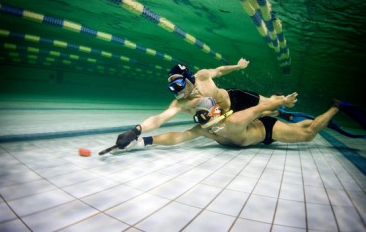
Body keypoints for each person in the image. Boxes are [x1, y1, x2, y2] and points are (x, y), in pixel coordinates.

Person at [114, 58, 296, 150]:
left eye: (178, 84)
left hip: (236, 98)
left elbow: (219, 70)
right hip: (226, 117)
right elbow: (159, 119)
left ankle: (279, 110)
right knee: (258, 117)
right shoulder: (181, 103)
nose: (176, 90)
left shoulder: (202, 76)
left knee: (272, 104)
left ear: (189, 78)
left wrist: (237, 66)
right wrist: (136, 131)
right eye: (171, 87)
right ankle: (274, 114)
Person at [122, 93, 344, 150]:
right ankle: (306, 120)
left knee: (307, 134)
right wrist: (143, 140)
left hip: (266, 130)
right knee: (298, 127)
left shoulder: (233, 121)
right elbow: (178, 137)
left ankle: (336, 107)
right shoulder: (204, 130)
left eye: (206, 116)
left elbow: (259, 108)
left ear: (216, 113)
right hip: (252, 129)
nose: (202, 122)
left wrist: (280, 102)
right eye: (200, 117)